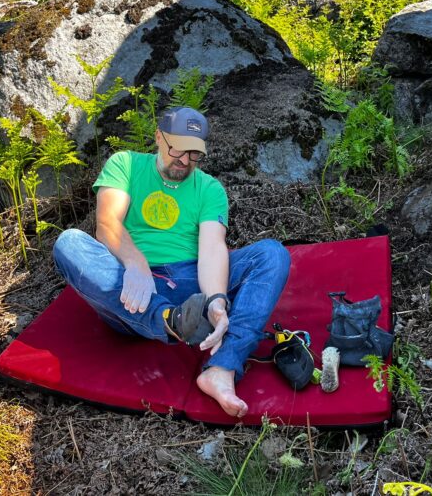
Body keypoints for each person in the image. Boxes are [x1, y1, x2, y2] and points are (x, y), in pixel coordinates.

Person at [53, 107, 291, 417]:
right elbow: (107, 224)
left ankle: (222, 367)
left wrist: (217, 299)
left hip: (192, 283)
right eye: (177, 147)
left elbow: (212, 248)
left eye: (194, 153)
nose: (184, 159)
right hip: (130, 291)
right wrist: (136, 264)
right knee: (69, 242)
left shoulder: (209, 188)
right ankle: (168, 320)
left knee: (271, 254)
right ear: (158, 137)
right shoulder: (125, 164)